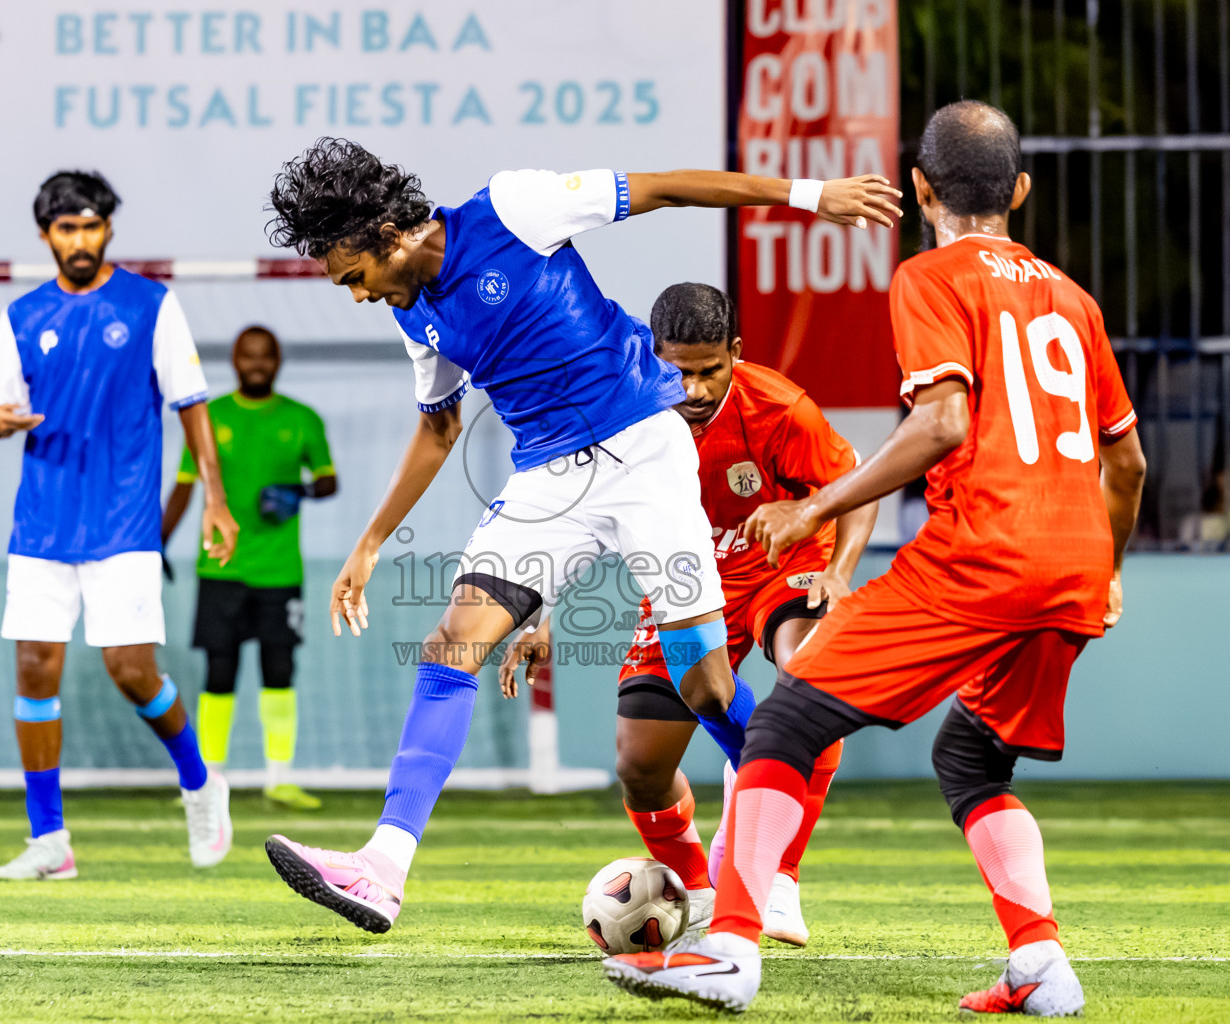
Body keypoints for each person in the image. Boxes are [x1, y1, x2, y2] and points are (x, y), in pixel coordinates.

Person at [258, 137, 902, 934]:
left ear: (385, 234)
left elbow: (670, 184)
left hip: (643, 446)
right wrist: (369, 541)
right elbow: (438, 429)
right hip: (545, 480)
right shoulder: (411, 315)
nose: (355, 295)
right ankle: (382, 868)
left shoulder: (514, 209)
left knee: (702, 685)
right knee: (452, 643)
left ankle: (767, 843)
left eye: (352, 277)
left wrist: (810, 195)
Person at [602, 100, 1147, 1017]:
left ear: (922, 187)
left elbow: (941, 424)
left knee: (781, 728)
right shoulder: (1075, 300)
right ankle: (1042, 966)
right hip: (1077, 562)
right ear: (1019, 189)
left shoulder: (930, 278)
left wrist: (812, 506)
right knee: (973, 761)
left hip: (980, 557)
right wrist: (1110, 566)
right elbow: (1125, 462)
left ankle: (731, 947)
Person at [497, 282, 877, 944]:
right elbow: (577, 518)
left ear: (735, 352)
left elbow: (855, 486)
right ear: (651, 354)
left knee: (811, 673)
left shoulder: (782, 410)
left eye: (710, 371)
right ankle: (699, 893)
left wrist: (839, 572)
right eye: (679, 371)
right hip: (683, 580)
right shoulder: (621, 416)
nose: (695, 389)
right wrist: (543, 614)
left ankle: (778, 879)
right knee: (640, 765)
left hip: (781, 566)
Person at [0, 170, 239, 880]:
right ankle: (50, 841)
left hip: (124, 521)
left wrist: (214, 499)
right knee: (34, 669)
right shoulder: (22, 316)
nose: (81, 240)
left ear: (109, 228)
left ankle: (198, 781)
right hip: (41, 522)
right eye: (67, 229)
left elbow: (191, 403)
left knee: (130, 670)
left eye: (92, 226)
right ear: (46, 236)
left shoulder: (151, 305)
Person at [161, 326, 338, 810]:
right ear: (235, 361)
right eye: (248, 356)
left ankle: (279, 779)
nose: (256, 364)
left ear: (277, 360)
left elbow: (328, 481)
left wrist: (296, 492)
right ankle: (207, 780)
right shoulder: (210, 417)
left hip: (280, 572)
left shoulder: (303, 420)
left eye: (265, 356)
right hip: (220, 567)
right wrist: (155, 543)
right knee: (219, 671)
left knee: (279, 669)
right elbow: (183, 486)